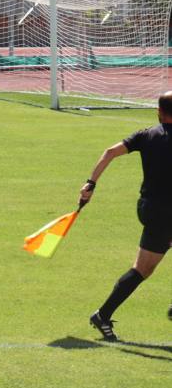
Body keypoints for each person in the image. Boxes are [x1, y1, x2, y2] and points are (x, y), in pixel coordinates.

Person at [84, 91, 172, 341]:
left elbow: (110, 152)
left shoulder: (146, 135)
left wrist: (91, 183)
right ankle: (102, 315)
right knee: (143, 269)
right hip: (167, 213)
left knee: (142, 269)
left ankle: (102, 315)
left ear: (158, 112)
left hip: (150, 209)